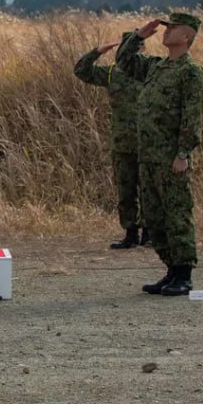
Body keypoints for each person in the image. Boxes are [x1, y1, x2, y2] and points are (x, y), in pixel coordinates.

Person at [115, 13, 203, 296]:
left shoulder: (190, 72)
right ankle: (170, 269)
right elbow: (124, 62)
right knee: (154, 217)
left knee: (176, 214)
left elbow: (192, 117)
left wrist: (183, 153)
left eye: (173, 28)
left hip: (170, 157)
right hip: (149, 156)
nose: (166, 32)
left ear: (186, 36)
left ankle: (184, 274)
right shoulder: (157, 67)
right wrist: (139, 36)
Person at [74, 33, 147, 250]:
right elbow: (81, 71)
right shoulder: (112, 74)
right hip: (123, 142)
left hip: (149, 142)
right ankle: (130, 233)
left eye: (136, 47)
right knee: (126, 191)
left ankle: (151, 233)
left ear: (142, 49)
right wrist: (98, 51)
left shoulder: (150, 71)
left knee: (150, 191)